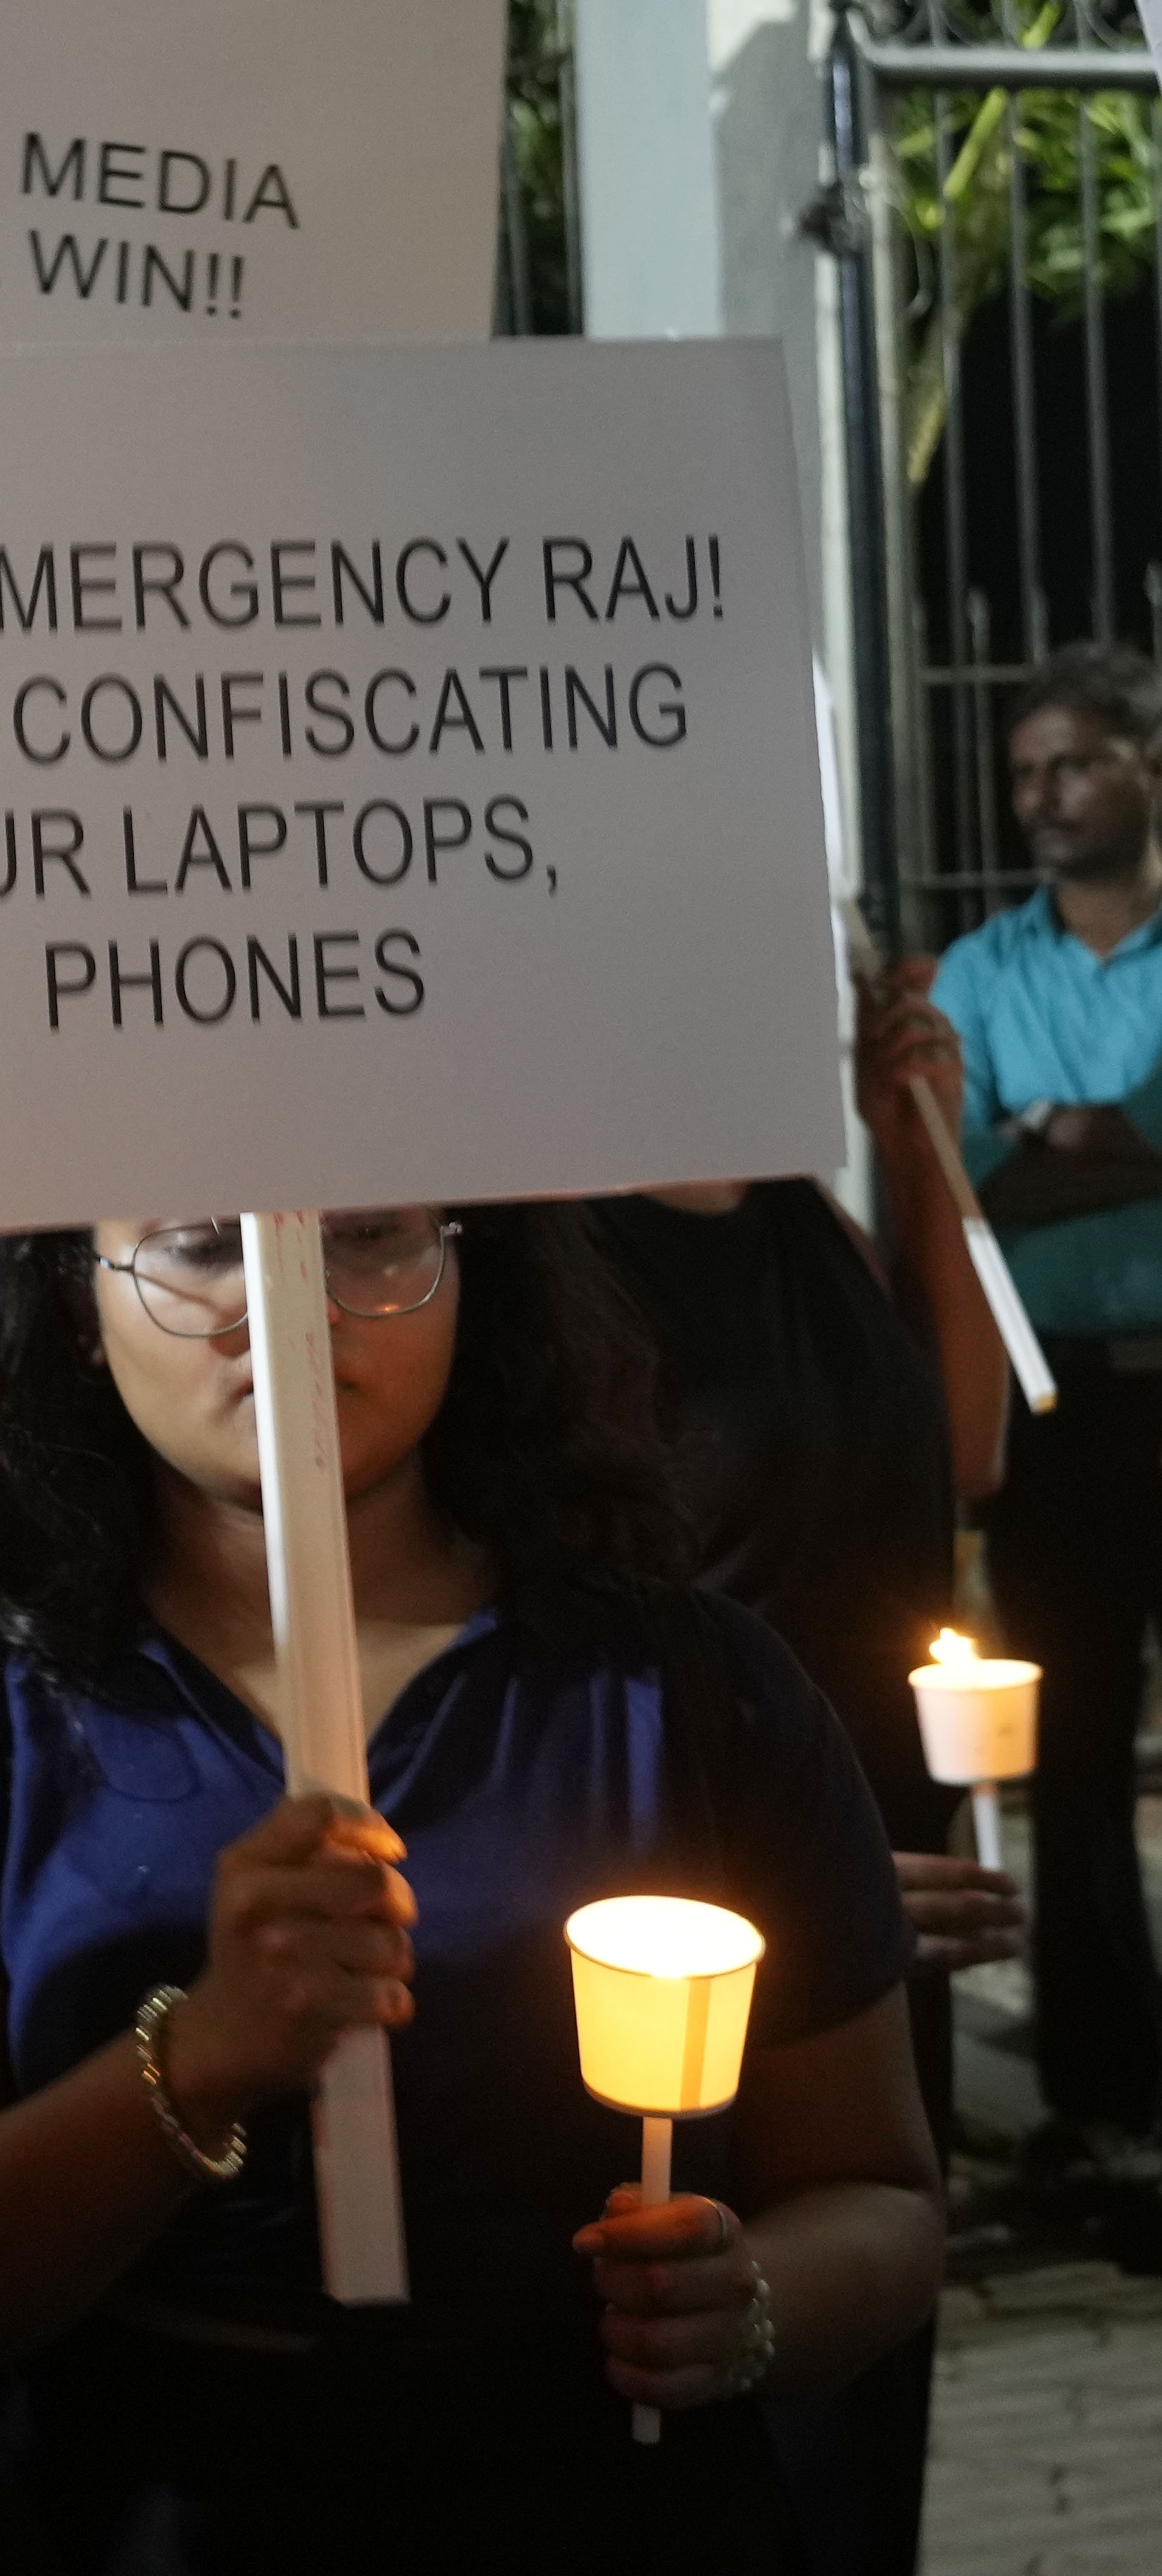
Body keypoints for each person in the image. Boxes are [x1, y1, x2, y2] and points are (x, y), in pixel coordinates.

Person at [0, 1203, 944, 2569]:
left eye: (374, 1235)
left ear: (476, 1268)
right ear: (70, 1304)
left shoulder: (693, 1690)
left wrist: (748, 2302)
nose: (294, 1294)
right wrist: (200, 2059)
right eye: (200, 1242)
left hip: (603, 2506)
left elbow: (879, 2196)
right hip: (130, 2510)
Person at [584, 952, 1015, 2576]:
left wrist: (916, 1165)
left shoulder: (795, 1207)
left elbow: (966, 1446)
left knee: (863, 2416)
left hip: (878, 1897)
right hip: (700, 1901)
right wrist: (798, 1878)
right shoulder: (557, 1243)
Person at [927, 640, 1162, 2177]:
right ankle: (1107, 2091)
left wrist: (1080, 1138)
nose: (1040, 795)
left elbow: (1028, 1168)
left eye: (1072, 760)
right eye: (1022, 772)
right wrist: (1127, 1143)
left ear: (1147, 762)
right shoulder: (976, 975)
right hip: (1057, 1411)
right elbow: (963, 1189)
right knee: (1072, 1749)